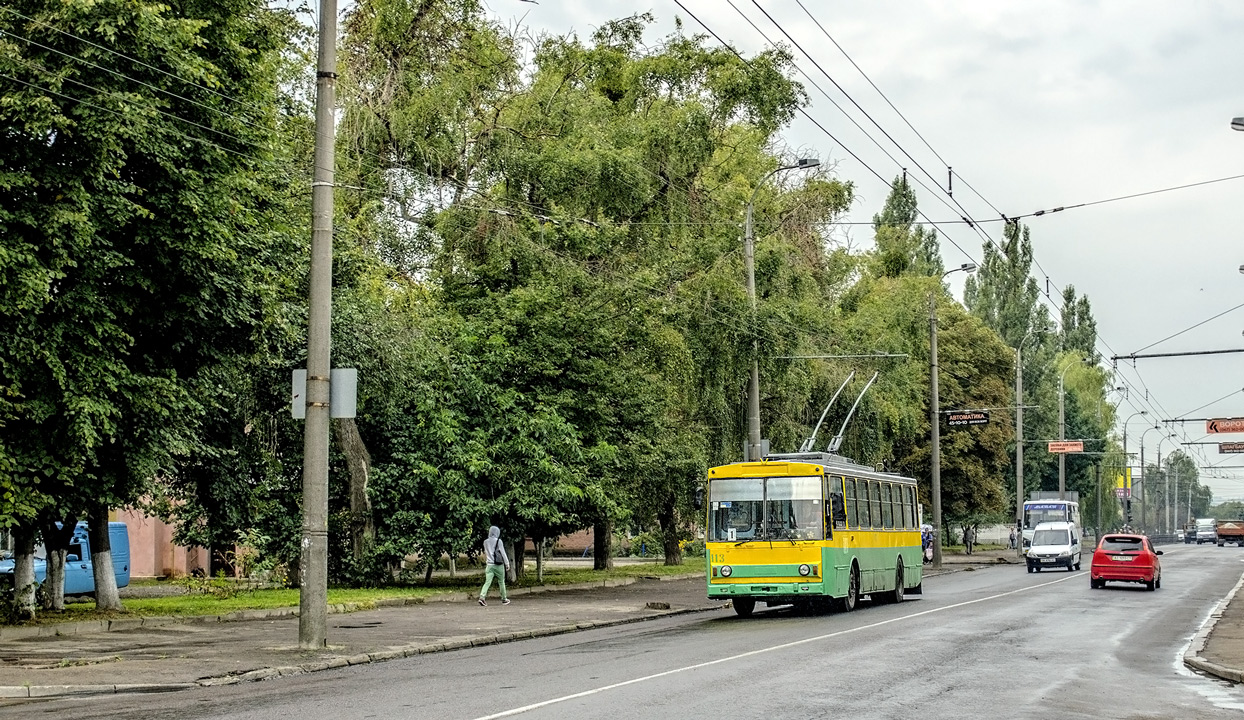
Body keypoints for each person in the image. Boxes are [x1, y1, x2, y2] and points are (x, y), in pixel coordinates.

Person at [478, 526, 511, 607]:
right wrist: (507, 563)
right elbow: (503, 553)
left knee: (487, 582)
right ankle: (504, 599)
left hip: (489, 565)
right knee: (501, 582)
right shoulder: (499, 541)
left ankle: (482, 597)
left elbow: (486, 553)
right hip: (498, 565)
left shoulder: (485, 542)